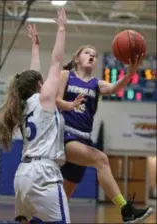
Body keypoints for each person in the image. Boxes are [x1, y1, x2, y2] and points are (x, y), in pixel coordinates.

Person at [55, 45, 153, 224]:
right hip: (65, 136)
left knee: (60, 201)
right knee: (101, 159)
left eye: (95, 54)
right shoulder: (66, 75)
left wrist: (130, 72)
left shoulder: (96, 84)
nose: (92, 56)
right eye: (87, 53)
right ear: (77, 59)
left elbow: (115, 88)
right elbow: (56, 100)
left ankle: (36, 220)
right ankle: (126, 210)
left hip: (83, 139)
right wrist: (70, 105)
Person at [0, 8, 70, 224]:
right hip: (44, 174)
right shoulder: (45, 99)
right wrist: (62, 28)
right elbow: (56, 60)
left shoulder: (24, 104)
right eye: (43, 80)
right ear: (40, 85)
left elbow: (32, 75)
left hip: (23, 175)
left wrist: (35, 48)